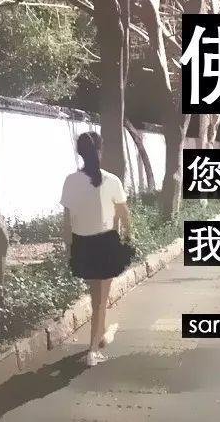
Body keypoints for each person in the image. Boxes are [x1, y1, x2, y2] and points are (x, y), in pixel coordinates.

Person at [60, 132, 132, 366]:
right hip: (105, 243)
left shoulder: (70, 180)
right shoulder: (112, 180)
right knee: (100, 300)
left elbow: (67, 221)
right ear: (101, 151)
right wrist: (128, 236)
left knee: (97, 297)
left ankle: (99, 336)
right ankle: (92, 351)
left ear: (80, 152)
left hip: (82, 244)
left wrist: (69, 248)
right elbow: (124, 214)